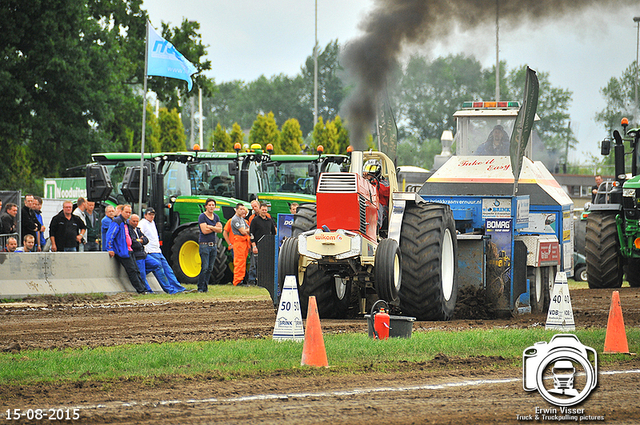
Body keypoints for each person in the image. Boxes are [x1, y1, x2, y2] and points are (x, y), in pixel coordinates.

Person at [138, 207, 188, 294]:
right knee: (160, 271)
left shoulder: (152, 223)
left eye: (153, 215)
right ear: (145, 215)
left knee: (168, 270)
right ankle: (169, 289)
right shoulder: (142, 223)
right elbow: (139, 234)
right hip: (150, 251)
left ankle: (178, 288)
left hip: (157, 251)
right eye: (149, 214)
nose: (151, 216)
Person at [105, 204, 147, 294]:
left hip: (129, 250)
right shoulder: (117, 221)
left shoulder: (126, 223)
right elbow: (110, 235)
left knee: (136, 270)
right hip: (122, 251)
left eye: (129, 212)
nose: (128, 214)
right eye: (126, 212)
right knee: (131, 270)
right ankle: (141, 290)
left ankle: (143, 288)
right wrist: (110, 248)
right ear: (121, 212)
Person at [197, 198, 223, 292]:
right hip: (204, 245)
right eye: (210, 205)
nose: (211, 207)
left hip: (214, 245)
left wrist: (211, 227)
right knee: (205, 267)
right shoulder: (202, 217)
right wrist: (215, 228)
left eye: (213, 205)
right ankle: (200, 287)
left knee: (210, 268)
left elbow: (220, 230)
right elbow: (204, 230)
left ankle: (205, 287)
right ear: (206, 206)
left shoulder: (216, 217)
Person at [249, 202, 276, 286]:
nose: (264, 211)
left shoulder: (270, 220)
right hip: (257, 245)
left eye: (265, 210)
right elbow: (251, 233)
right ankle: (252, 281)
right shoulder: (255, 220)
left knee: (266, 265)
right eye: (262, 209)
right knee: (255, 264)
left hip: (267, 245)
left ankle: (264, 281)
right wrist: (254, 246)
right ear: (259, 210)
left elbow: (273, 233)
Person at [363, 160, 390, 229]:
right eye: (368, 173)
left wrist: (373, 182)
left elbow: (386, 190)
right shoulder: (362, 182)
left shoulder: (384, 183)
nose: (369, 175)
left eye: (372, 173)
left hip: (382, 209)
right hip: (365, 204)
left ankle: (376, 227)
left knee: (377, 206)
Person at [229, 203, 251, 286]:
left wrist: (247, 230)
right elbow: (243, 231)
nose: (242, 211)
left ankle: (242, 279)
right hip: (239, 242)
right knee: (239, 262)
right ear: (236, 209)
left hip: (244, 242)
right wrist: (247, 230)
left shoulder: (242, 219)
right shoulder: (235, 219)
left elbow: (248, 228)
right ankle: (237, 281)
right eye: (241, 209)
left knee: (243, 261)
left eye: (243, 209)